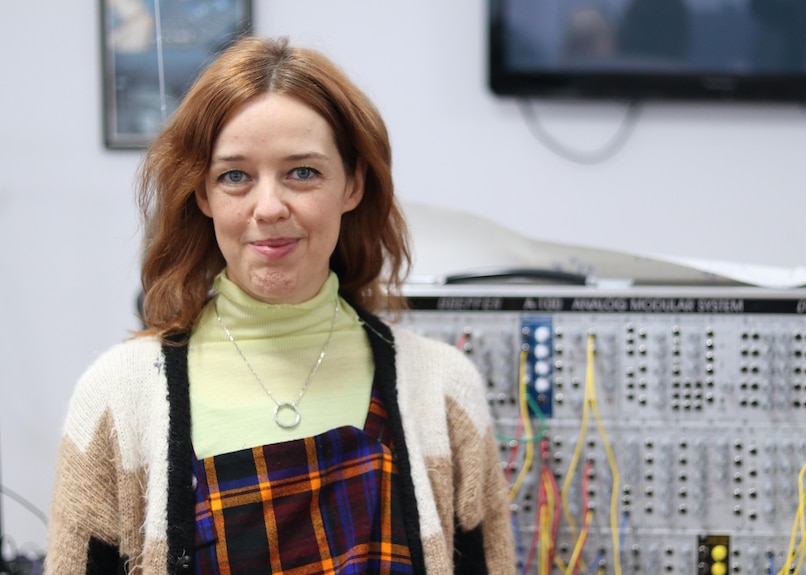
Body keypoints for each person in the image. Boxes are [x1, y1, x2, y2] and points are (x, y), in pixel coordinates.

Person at [45, 35, 515, 575]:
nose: (268, 208)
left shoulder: (444, 395)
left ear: (353, 185)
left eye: (302, 172)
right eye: (235, 176)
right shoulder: (114, 401)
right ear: (203, 195)